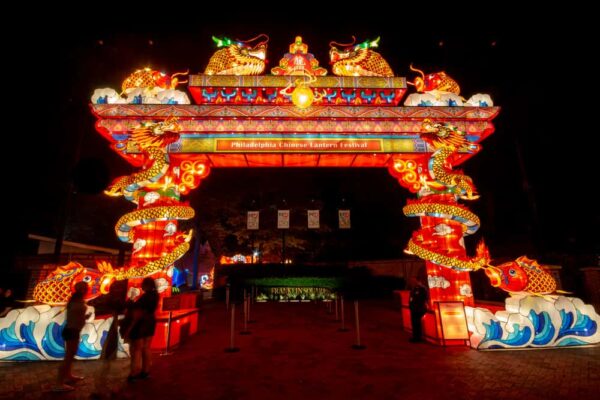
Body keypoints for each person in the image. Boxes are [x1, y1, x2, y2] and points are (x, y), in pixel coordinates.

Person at [54, 281, 90, 392]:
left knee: (70, 356)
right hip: (72, 331)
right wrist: (85, 316)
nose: (88, 289)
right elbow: (77, 314)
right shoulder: (77, 301)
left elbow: (77, 316)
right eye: (86, 288)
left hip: (72, 330)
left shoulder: (75, 300)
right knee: (68, 358)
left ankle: (68, 375)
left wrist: (84, 317)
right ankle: (58, 384)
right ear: (83, 289)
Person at [124, 277, 159, 382]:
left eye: (143, 284)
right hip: (151, 321)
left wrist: (130, 328)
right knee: (146, 347)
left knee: (137, 349)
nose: (141, 286)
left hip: (141, 323)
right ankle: (145, 371)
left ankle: (134, 373)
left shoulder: (145, 297)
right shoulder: (155, 295)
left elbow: (138, 312)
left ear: (148, 285)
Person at [408, 276, 428, 343]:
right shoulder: (414, 288)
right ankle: (415, 336)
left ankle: (418, 337)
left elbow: (422, 298)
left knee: (417, 323)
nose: (412, 282)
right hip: (414, 308)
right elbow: (412, 298)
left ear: (418, 280)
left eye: (413, 281)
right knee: (414, 323)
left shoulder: (422, 289)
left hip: (419, 308)